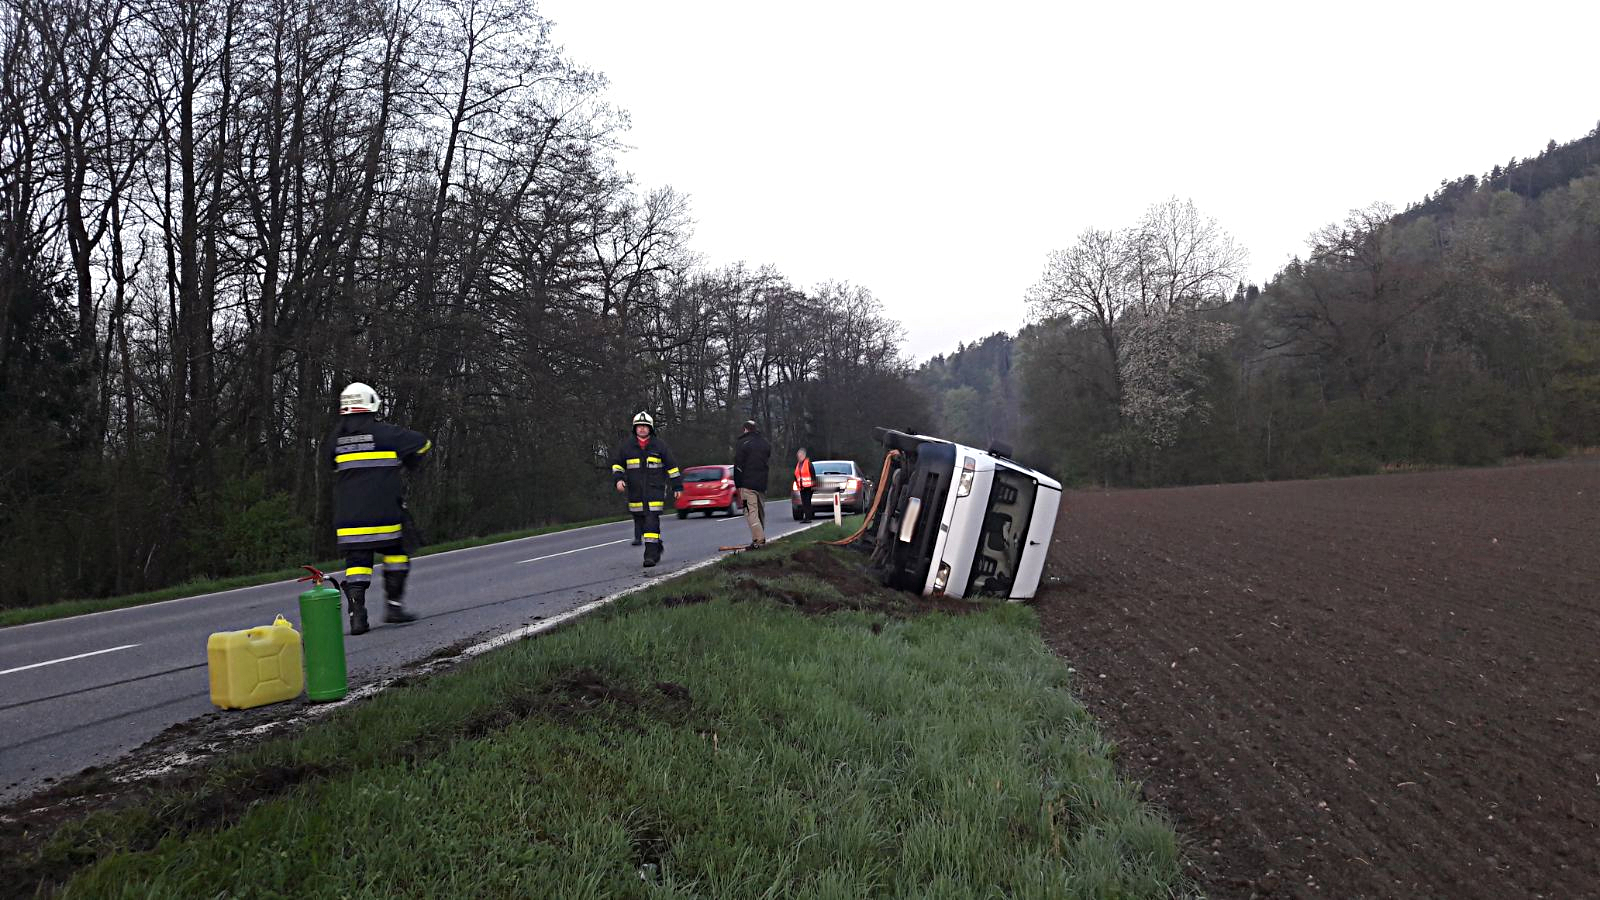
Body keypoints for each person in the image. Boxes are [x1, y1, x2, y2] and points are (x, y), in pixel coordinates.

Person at [328, 382, 433, 635]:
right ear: (371, 404)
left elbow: (330, 462)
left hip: (349, 520)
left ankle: (357, 616)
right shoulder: (386, 434)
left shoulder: (335, 440)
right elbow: (423, 443)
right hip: (385, 514)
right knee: (396, 552)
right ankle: (394, 607)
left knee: (357, 564)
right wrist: (409, 460)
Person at [610, 411, 682, 567]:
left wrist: (677, 486)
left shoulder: (659, 446)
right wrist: (618, 480)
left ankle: (649, 555)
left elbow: (672, 467)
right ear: (635, 429)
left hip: (654, 491)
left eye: (645, 426)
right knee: (641, 523)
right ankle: (656, 546)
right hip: (635, 493)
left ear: (651, 429)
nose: (642, 429)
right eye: (639, 426)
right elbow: (617, 465)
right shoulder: (627, 447)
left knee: (651, 522)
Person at [733, 419, 772, 546]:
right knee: (761, 511)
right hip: (762, 483)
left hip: (747, 484)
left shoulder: (742, 443)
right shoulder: (765, 443)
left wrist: (738, 485)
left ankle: (758, 539)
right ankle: (760, 536)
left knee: (750, 512)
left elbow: (738, 465)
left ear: (745, 429)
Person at [793, 447, 817, 522]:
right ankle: (806, 518)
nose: (798, 457)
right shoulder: (798, 465)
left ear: (803, 455)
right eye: (797, 455)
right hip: (801, 487)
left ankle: (808, 518)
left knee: (807, 502)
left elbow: (813, 475)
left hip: (809, 487)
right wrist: (797, 484)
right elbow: (796, 475)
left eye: (799, 455)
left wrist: (813, 486)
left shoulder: (808, 464)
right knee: (804, 503)